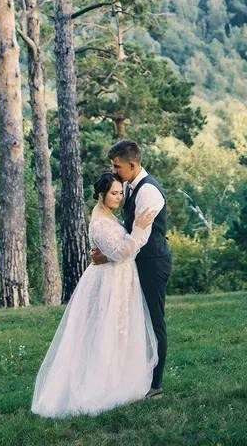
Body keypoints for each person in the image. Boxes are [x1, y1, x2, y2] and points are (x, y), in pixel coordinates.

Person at [31, 172, 158, 418]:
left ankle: (122, 379)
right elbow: (122, 252)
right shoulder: (99, 222)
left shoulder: (108, 215)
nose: (119, 198)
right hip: (110, 281)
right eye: (114, 193)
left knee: (121, 330)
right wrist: (139, 229)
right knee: (107, 330)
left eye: (121, 193)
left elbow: (119, 251)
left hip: (120, 278)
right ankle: (102, 386)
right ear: (101, 195)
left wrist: (119, 247)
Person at [93, 139, 171, 397]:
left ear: (133, 164)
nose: (114, 171)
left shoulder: (148, 192)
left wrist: (110, 255)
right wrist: (107, 254)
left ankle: (155, 386)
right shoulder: (131, 184)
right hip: (135, 263)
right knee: (138, 322)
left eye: (117, 167)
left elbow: (137, 242)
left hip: (151, 263)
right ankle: (137, 377)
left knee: (154, 322)